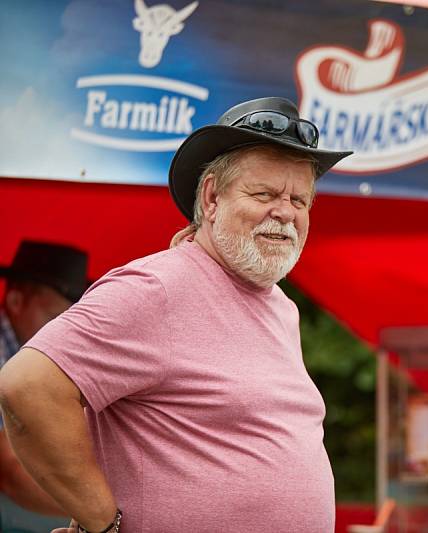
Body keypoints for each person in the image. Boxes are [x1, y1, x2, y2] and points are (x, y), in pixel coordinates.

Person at [0, 96, 352, 533]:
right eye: (263, 193)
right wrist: (101, 521)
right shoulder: (156, 288)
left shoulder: (282, 308)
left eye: (300, 200)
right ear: (210, 199)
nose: (285, 212)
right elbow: (27, 388)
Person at [0, 241, 86, 530]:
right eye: (54, 319)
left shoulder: (29, 352)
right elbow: (10, 472)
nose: (63, 335)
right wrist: (107, 514)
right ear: (14, 302)